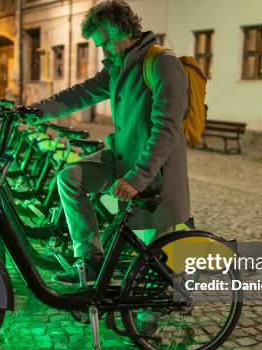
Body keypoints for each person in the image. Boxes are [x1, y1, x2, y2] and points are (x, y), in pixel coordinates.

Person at [32, 0, 190, 283]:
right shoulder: (118, 65)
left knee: (156, 256)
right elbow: (81, 93)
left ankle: (152, 313)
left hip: (156, 171)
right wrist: (36, 112)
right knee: (70, 178)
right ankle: (90, 260)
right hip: (121, 158)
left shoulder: (163, 64)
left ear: (121, 29)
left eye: (105, 43)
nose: (103, 51)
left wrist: (137, 178)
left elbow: (167, 130)